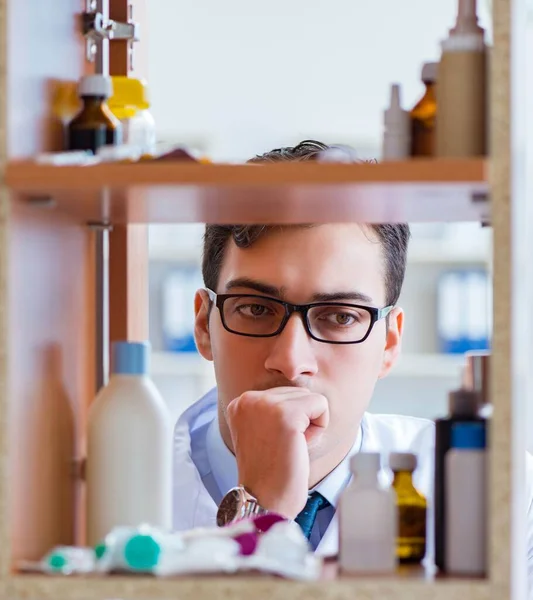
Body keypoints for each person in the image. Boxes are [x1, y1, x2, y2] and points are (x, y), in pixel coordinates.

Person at [172, 141, 533, 568]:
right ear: (203, 325)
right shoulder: (101, 492)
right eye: (255, 309)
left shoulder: (501, 488)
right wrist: (261, 511)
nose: (291, 359)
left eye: (340, 317)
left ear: (389, 344)